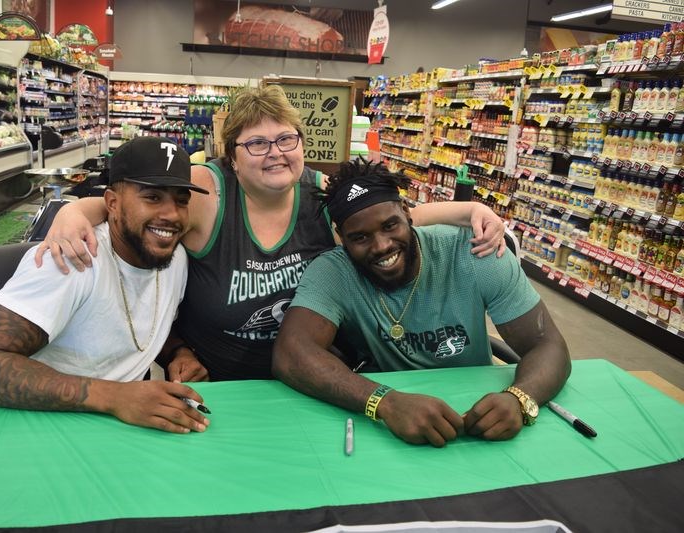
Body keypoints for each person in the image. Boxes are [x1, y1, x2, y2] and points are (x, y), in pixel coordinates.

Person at [36, 85, 508, 381]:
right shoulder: (205, 191)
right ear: (232, 155)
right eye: (257, 143)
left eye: (286, 139)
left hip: (321, 377)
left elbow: (393, 218)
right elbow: (143, 203)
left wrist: (469, 209)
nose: (275, 153)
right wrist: (80, 209)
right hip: (224, 386)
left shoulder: (321, 191)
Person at [271, 159, 571, 447]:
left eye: (390, 226)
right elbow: (291, 353)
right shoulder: (333, 271)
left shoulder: (474, 252)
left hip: (482, 415)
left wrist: (520, 398)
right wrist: (384, 402)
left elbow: (548, 345)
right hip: (398, 427)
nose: (382, 246)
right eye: (360, 237)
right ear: (342, 238)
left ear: (406, 211)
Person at [0, 136, 211, 434]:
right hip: (40, 428)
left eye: (181, 200)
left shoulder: (174, 257)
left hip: (122, 429)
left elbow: (141, 322)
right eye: (152, 197)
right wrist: (115, 396)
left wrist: (178, 353)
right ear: (112, 203)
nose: (171, 214)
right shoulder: (70, 259)